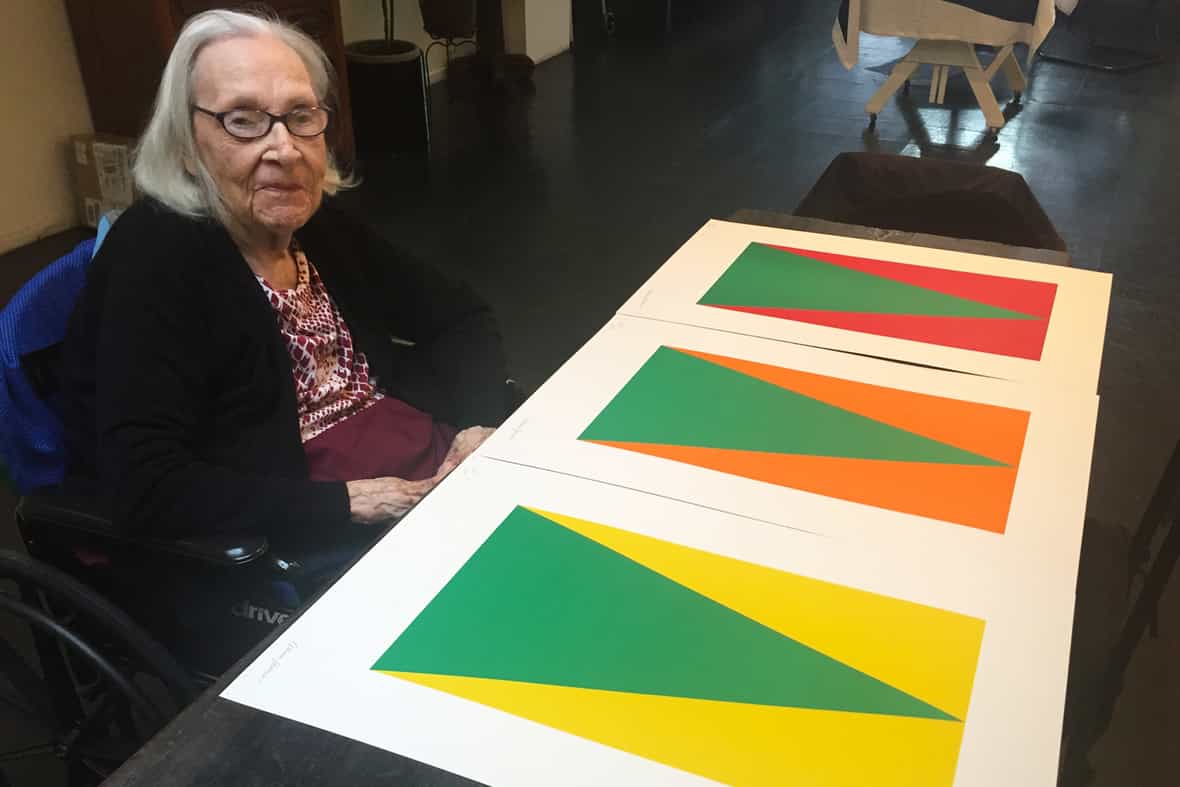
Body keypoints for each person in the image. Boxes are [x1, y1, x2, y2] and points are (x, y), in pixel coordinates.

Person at [60, 9, 509, 555]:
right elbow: (147, 485)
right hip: (307, 533)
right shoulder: (155, 258)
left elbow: (460, 315)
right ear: (185, 144)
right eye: (243, 120)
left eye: (301, 115)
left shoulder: (310, 219)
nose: (285, 148)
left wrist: (478, 424)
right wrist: (344, 504)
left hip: (426, 467)